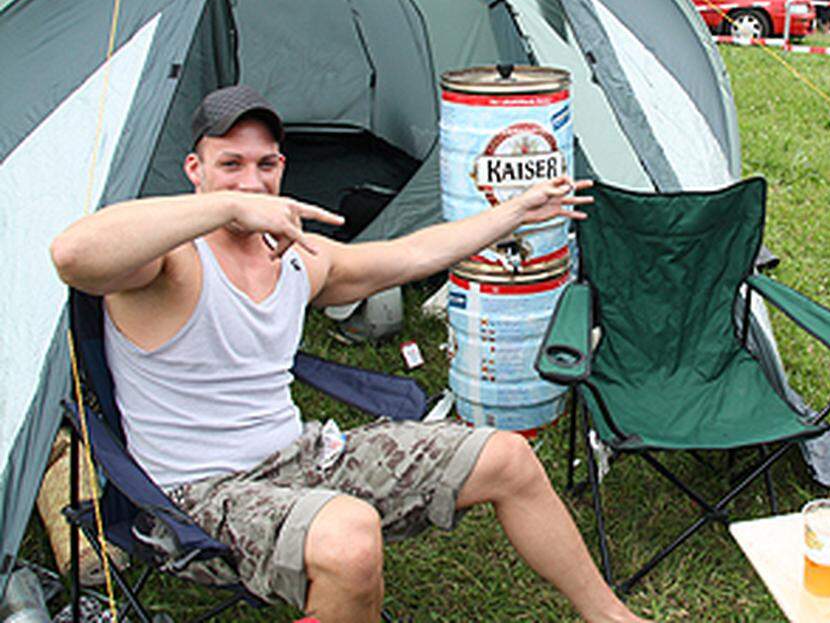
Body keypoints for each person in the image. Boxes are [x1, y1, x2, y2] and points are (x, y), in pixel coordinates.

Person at [51, 85, 649, 623]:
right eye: (228, 164)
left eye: (264, 165)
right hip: (194, 498)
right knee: (350, 536)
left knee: (505, 457)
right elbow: (73, 255)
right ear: (194, 169)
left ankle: (609, 616)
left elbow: (414, 256)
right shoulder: (165, 263)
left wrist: (511, 214)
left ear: (283, 167)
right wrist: (228, 208)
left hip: (300, 459)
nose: (251, 181)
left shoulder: (296, 258)